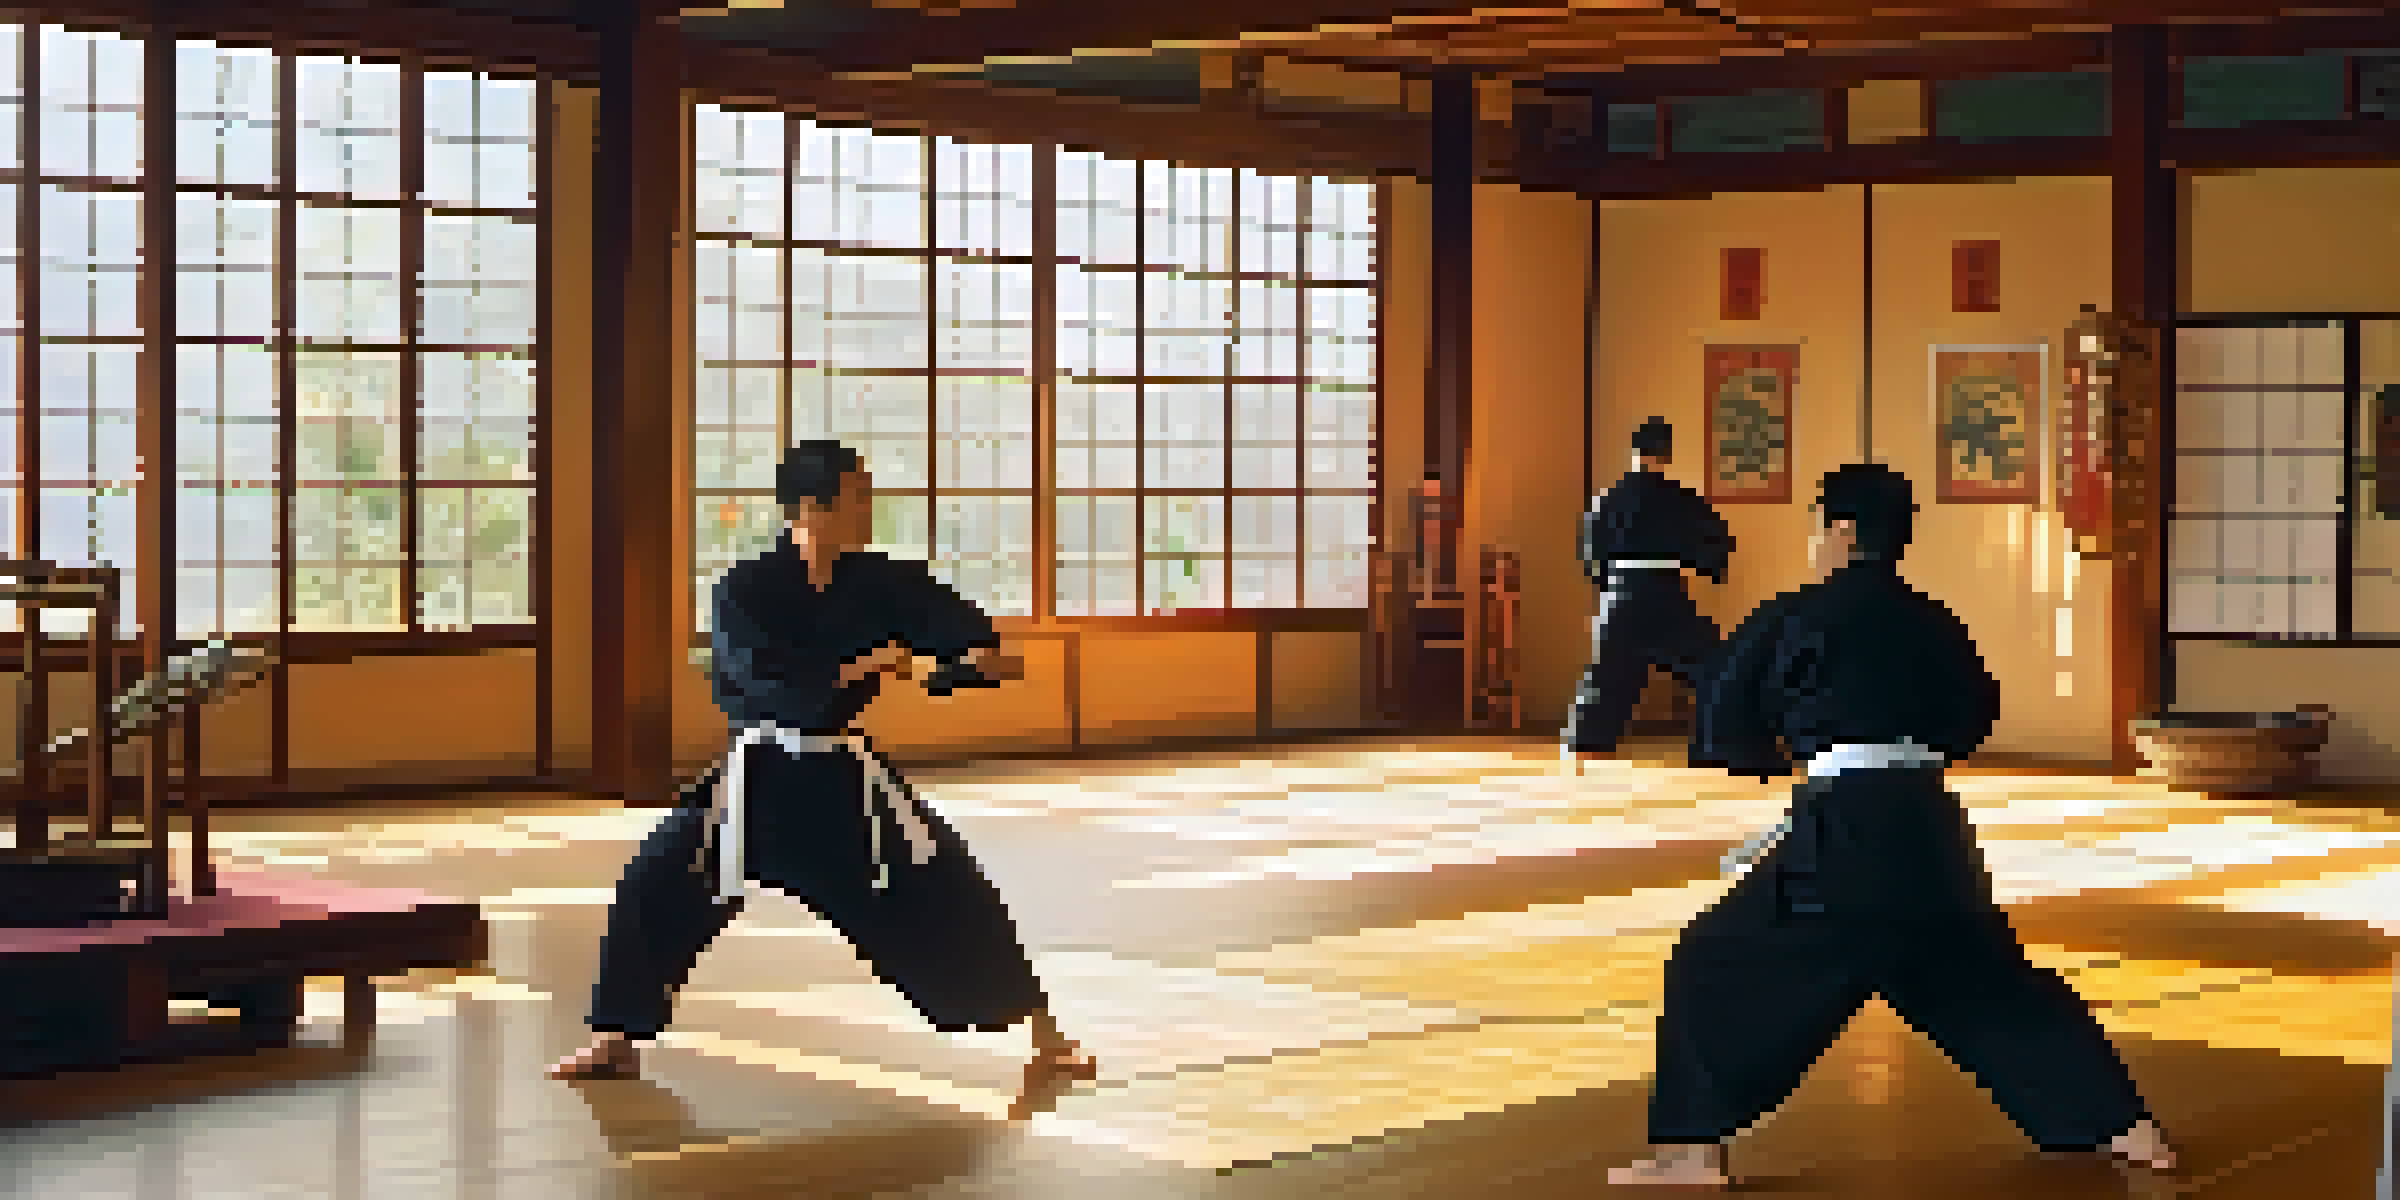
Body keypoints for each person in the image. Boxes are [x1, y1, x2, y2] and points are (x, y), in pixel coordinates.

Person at [1607, 463, 2176, 1188]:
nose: (1815, 540)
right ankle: (2127, 1126)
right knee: (1979, 979)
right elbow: (1973, 715)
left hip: (1847, 827)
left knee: (1711, 960)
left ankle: (1692, 1150)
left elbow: (1726, 722)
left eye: (1818, 525)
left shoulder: (1794, 614)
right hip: (1928, 823)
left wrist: (1783, 755)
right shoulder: (1934, 621)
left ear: (1841, 530)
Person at [548, 441, 1096, 1107]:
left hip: (842, 780)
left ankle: (1047, 1036)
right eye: (858, 496)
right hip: (760, 780)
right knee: (656, 880)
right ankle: (614, 1038)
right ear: (811, 506)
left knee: (949, 884)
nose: (869, 509)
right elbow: (768, 685)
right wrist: (866, 666)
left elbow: (962, 641)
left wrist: (974, 661)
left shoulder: (883, 582)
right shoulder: (742, 590)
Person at [1564, 416, 1733, 765]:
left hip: (1621, 593)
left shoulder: (1608, 498)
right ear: (1666, 454)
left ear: (1633, 451)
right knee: (1717, 667)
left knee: (1606, 675)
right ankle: (1719, 745)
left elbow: (1591, 552)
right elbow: (1716, 541)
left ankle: (1586, 745)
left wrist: (1605, 588)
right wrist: (1707, 568)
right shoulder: (1683, 499)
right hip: (1666, 591)